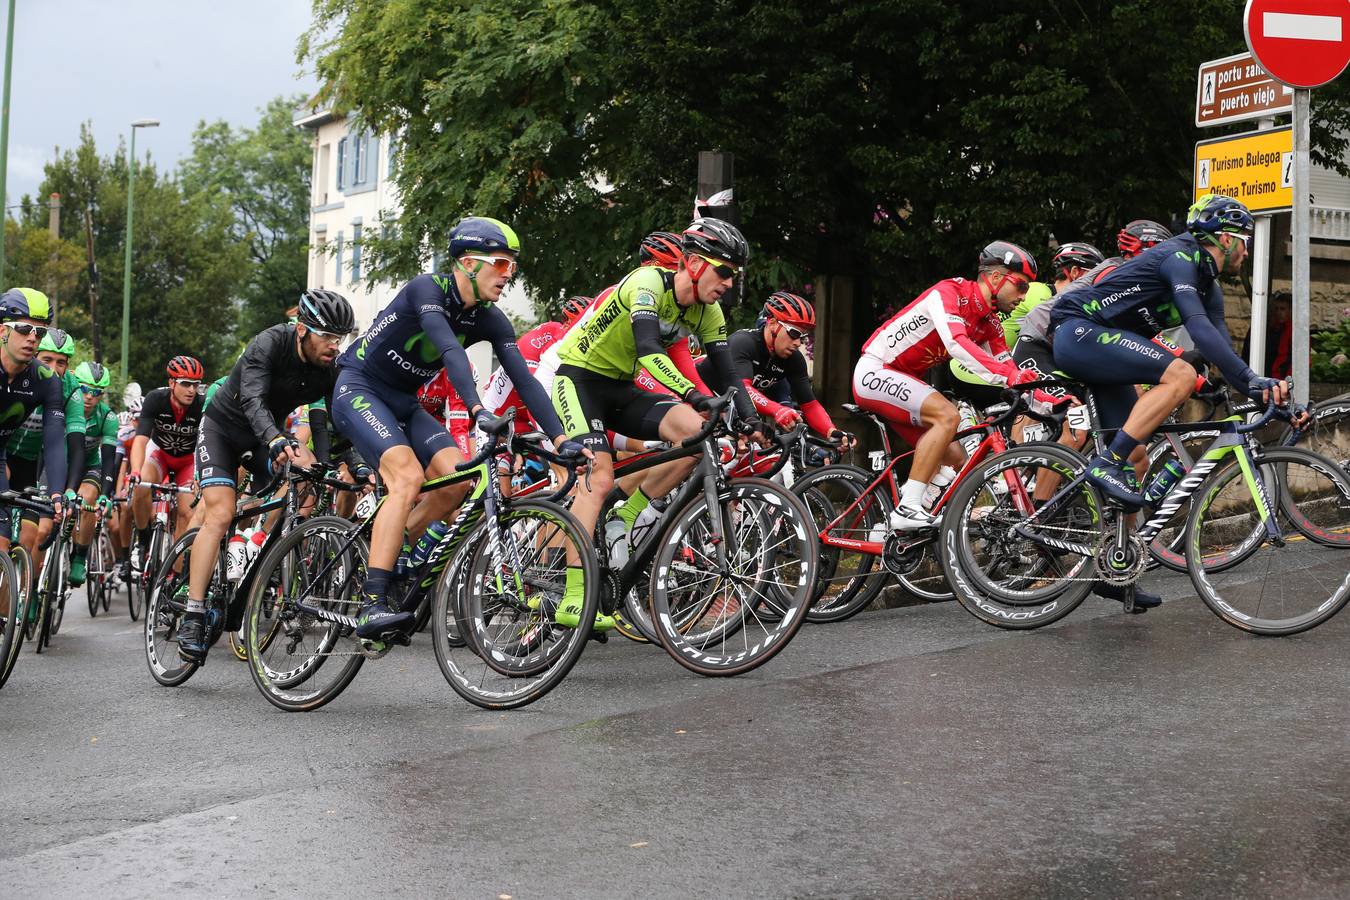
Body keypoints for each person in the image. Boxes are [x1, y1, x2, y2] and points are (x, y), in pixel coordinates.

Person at [330, 216, 583, 640]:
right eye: (501, 264)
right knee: (407, 478)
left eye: (513, 267)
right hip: (359, 388)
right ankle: (373, 601)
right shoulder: (425, 289)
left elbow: (524, 380)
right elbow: (448, 348)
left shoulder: (490, 319)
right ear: (468, 262)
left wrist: (562, 439)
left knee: (458, 481)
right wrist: (478, 407)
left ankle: (391, 556)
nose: (509, 276)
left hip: (404, 403)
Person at [550, 218, 761, 628]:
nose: (729, 284)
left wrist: (751, 419)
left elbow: (730, 374)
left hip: (622, 387)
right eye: (724, 272)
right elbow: (648, 348)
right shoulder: (647, 282)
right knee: (599, 474)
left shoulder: (708, 310)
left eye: (735, 276)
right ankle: (575, 596)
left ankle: (625, 518)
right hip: (579, 379)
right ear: (694, 264)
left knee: (700, 435)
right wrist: (694, 394)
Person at [1050, 194, 1304, 508]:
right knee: (1180, 374)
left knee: (1136, 459)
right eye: (1244, 240)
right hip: (1078, 332)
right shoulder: (1180, 258)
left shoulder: (1208, 285)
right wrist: (1252, 381)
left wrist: (1260, 392)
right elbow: (1198, 328)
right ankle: (1106, 464)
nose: (1247, 250)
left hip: (1102, 347)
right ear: (1226, 238)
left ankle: (1123, 551)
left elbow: (1221, 345)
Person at [175, 289, 355, 664]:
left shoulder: (328, 367)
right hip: (224, 430)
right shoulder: (269, 343)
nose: (334, 346)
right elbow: (253, 400)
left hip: (266, 435)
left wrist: (338, 461)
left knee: (306, 474)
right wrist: (275, 440)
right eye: (327, 336)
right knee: (221, 513)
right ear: (303, 329)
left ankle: (258, 541)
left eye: (340, 338)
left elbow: (326, 420)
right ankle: (193, 612)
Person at [853, 241, 1062, 531]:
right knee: (948, 415)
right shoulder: (949, 293)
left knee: (954, 459)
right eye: (1022, 286)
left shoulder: (989, 323)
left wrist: (1049, 400)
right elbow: (956, 342)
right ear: (997, 278)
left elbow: (1011, 369)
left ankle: (892, 531)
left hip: (906, 382)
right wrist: (1006, 376)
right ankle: (908, 508)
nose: (1024, 296)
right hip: (875, 370)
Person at [697, 291, 853, 449]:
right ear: (772, 323)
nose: (798, 342)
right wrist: (777, 410)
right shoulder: (743, 343)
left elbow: (810, 405)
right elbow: (743, 389)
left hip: (729, 409)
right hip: (698, 397)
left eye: (803, 336)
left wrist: (831, 431)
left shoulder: (794, 359)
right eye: (794, 333)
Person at [0, 289, 70, 581]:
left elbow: (54, 440)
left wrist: (56, 494)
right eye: (24, 329)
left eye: (39, 332)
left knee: (2, 543)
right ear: (2, 330)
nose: (32, 338)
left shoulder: (45, 380)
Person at [6, 327, 86, 560]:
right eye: (47, 359)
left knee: (30, 537)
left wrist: (67, 490)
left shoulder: (71, 390)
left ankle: (19, 592)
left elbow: (75, 446)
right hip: (4, 454)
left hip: (31, 463)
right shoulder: (21, 374)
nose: (53, 368)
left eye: (61, 362)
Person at [129, 356, 205, 554]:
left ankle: (176, 574)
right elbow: (141, 439)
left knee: (186, 512)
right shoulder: (156, 399)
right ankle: (143, 537)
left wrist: (200, 476)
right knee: (141, 486)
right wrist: (135, 471)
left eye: (196, 385)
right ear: (171, 382)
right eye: (186, 384)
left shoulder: (202, 405)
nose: (191, 390)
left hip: (188, 461)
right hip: (160, 454)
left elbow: (207, 444)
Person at [68, 362, 120, 587]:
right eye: (84, 389)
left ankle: (80, 556)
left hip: (90, 466)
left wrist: (106, 495)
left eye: (96, 392)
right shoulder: (64, 405)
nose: (89, 397)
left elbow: (109, 460)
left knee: (87, 498)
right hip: (61, 465)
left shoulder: (107, 418)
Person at [1242, 289, 1292, 379]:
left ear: (1290, 311)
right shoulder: (1270, 329)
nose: (1279, 312)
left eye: (1282, 309)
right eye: (1276, 309)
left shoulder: (1290, 330)